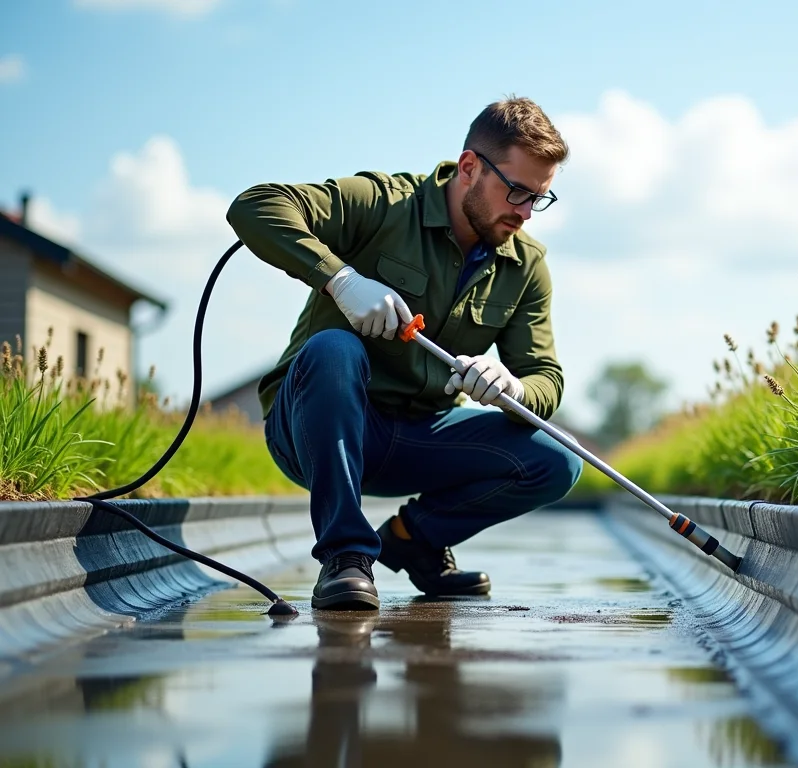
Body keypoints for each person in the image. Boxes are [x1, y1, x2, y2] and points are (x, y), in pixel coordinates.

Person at [226, 96, 583, 611]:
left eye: (539, 199)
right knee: (333, 348)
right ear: (468, 168)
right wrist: (341, 281)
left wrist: (514, 388)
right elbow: (254, 206)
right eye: (518, 192)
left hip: (419, 438)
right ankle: (346, 558)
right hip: (317, 428)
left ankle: (416, 539)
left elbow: (544, 376)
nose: (525, 214)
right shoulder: (384, 203)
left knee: (558, 459)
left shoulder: (525, 267)